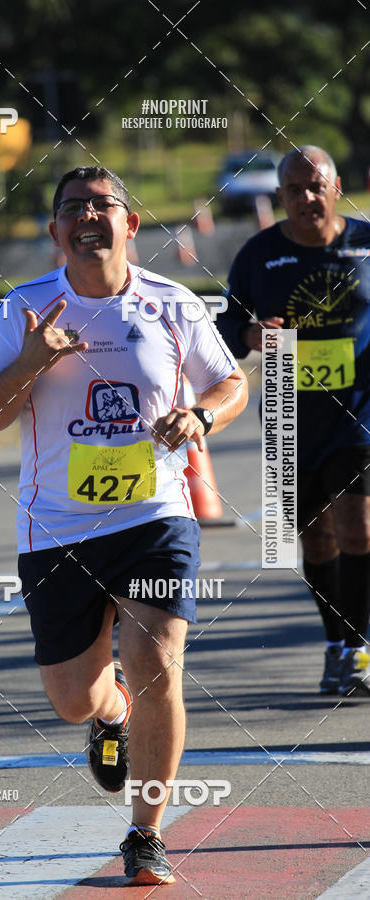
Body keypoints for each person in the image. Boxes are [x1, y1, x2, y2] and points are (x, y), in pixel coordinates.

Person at [0, 166, 247, 884]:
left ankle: (145, 833)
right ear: (56, 231)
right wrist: (31, 363)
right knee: (73, 701)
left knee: (157, 663)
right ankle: (109, 712)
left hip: (155, 516)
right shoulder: (26, 309)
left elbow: (231, 381)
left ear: (130, 223)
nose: (88, 217)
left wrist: (201, 415)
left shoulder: (173, 304)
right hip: (57, 529)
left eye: (102, 206)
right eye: (72, 209)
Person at [218, 145, 370, 697]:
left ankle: (358, 648)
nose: (307, 197)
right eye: (294, 190)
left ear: (336, 188)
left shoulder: (366, 243)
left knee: (358, 528)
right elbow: (225, 326)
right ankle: (337, 641)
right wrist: (251, 334)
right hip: (289, 415)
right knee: (316, 538)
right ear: (280, 196)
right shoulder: (258, 255)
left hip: (358, 413)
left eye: (316, 186)